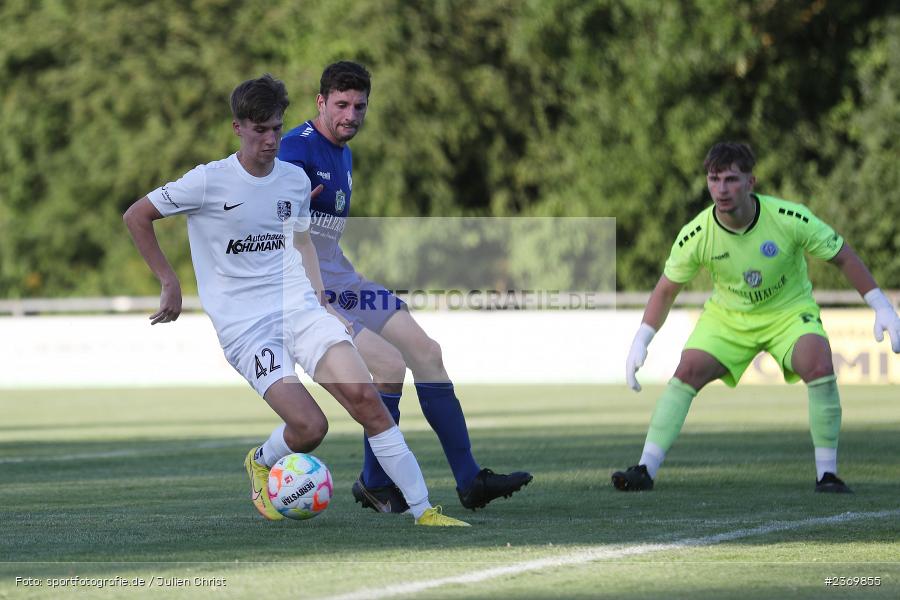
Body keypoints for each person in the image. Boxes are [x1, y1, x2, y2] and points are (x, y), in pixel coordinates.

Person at [123, 74, 468, 526]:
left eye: (276, 129)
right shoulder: (207, 182)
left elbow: (303, 241)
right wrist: (169, 282)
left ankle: (424, 511)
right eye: (260, 130)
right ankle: (263, 461)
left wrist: (322, 302)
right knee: (312, 428)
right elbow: (137, 215)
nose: (270, 140)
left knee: (366, 400)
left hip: (301, 310)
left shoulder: (292, 181)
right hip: (246, 329)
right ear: (238, 128)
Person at [278, 61, 532, 513]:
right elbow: (282, 233)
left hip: (348, 281)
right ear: (320, 102)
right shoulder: (294, 152)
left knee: (427, 352)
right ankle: (375, 482)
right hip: (311, 291)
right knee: (389, 364)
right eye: (341, 105)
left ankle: (469, 479)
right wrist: (318, 303)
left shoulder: (344, 151)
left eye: (359, 106)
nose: (351, 115)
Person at [614, 141, 900, 493]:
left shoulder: (789, 218)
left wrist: (881, 305)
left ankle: (827, 475)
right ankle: (645, 469)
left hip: (788, 314)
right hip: (728, 319)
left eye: (732, 179)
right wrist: (642, 339)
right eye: (714, 179)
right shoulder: (697, 233)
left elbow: (842, 256)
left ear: (751, 182)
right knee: (687, 370)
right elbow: (665, 290)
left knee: (819, 364)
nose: (721, 189)